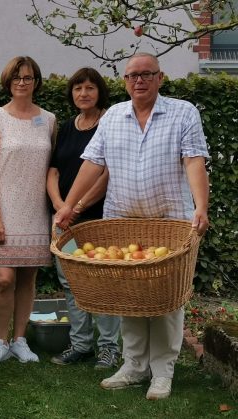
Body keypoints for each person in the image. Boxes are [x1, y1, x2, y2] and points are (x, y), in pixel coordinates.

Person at [55, 52, 210, 400]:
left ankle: (162, 372)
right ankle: (134, 365)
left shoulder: (183, 111)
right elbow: (93, 163)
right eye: (132, 76)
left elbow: (194, 159)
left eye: (146, 74)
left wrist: (201, 206)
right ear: (125, 82)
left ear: (160, 78)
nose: (139, 80)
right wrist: (69, 206)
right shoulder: (113, 117)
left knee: (167, 298)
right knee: (130, 296)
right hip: (123, 220)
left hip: (170, 221)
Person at [0, 56, 55, 368]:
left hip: (36, 208)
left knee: (27, 277)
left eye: (27, 77)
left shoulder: (49, 120)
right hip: (4, 209)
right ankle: (0, 341)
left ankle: (20, 340)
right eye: (16, 78)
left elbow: (52, 168)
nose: (22, 82)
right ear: (8, 82)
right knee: (4, 278)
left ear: (36, 81)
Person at [47, 67, 121, 369]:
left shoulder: (110, 123)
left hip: (98, 218)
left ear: (99, 91)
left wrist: (75, 208)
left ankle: (108, 348)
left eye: (90, 88)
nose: (83, 94)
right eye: (78, 88)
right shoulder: (67, 127)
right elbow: (53, 171)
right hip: (64, 219)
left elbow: (106, 174)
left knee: (103, 283)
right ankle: (79, 344)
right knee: (71, 283)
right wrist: (59, 205)